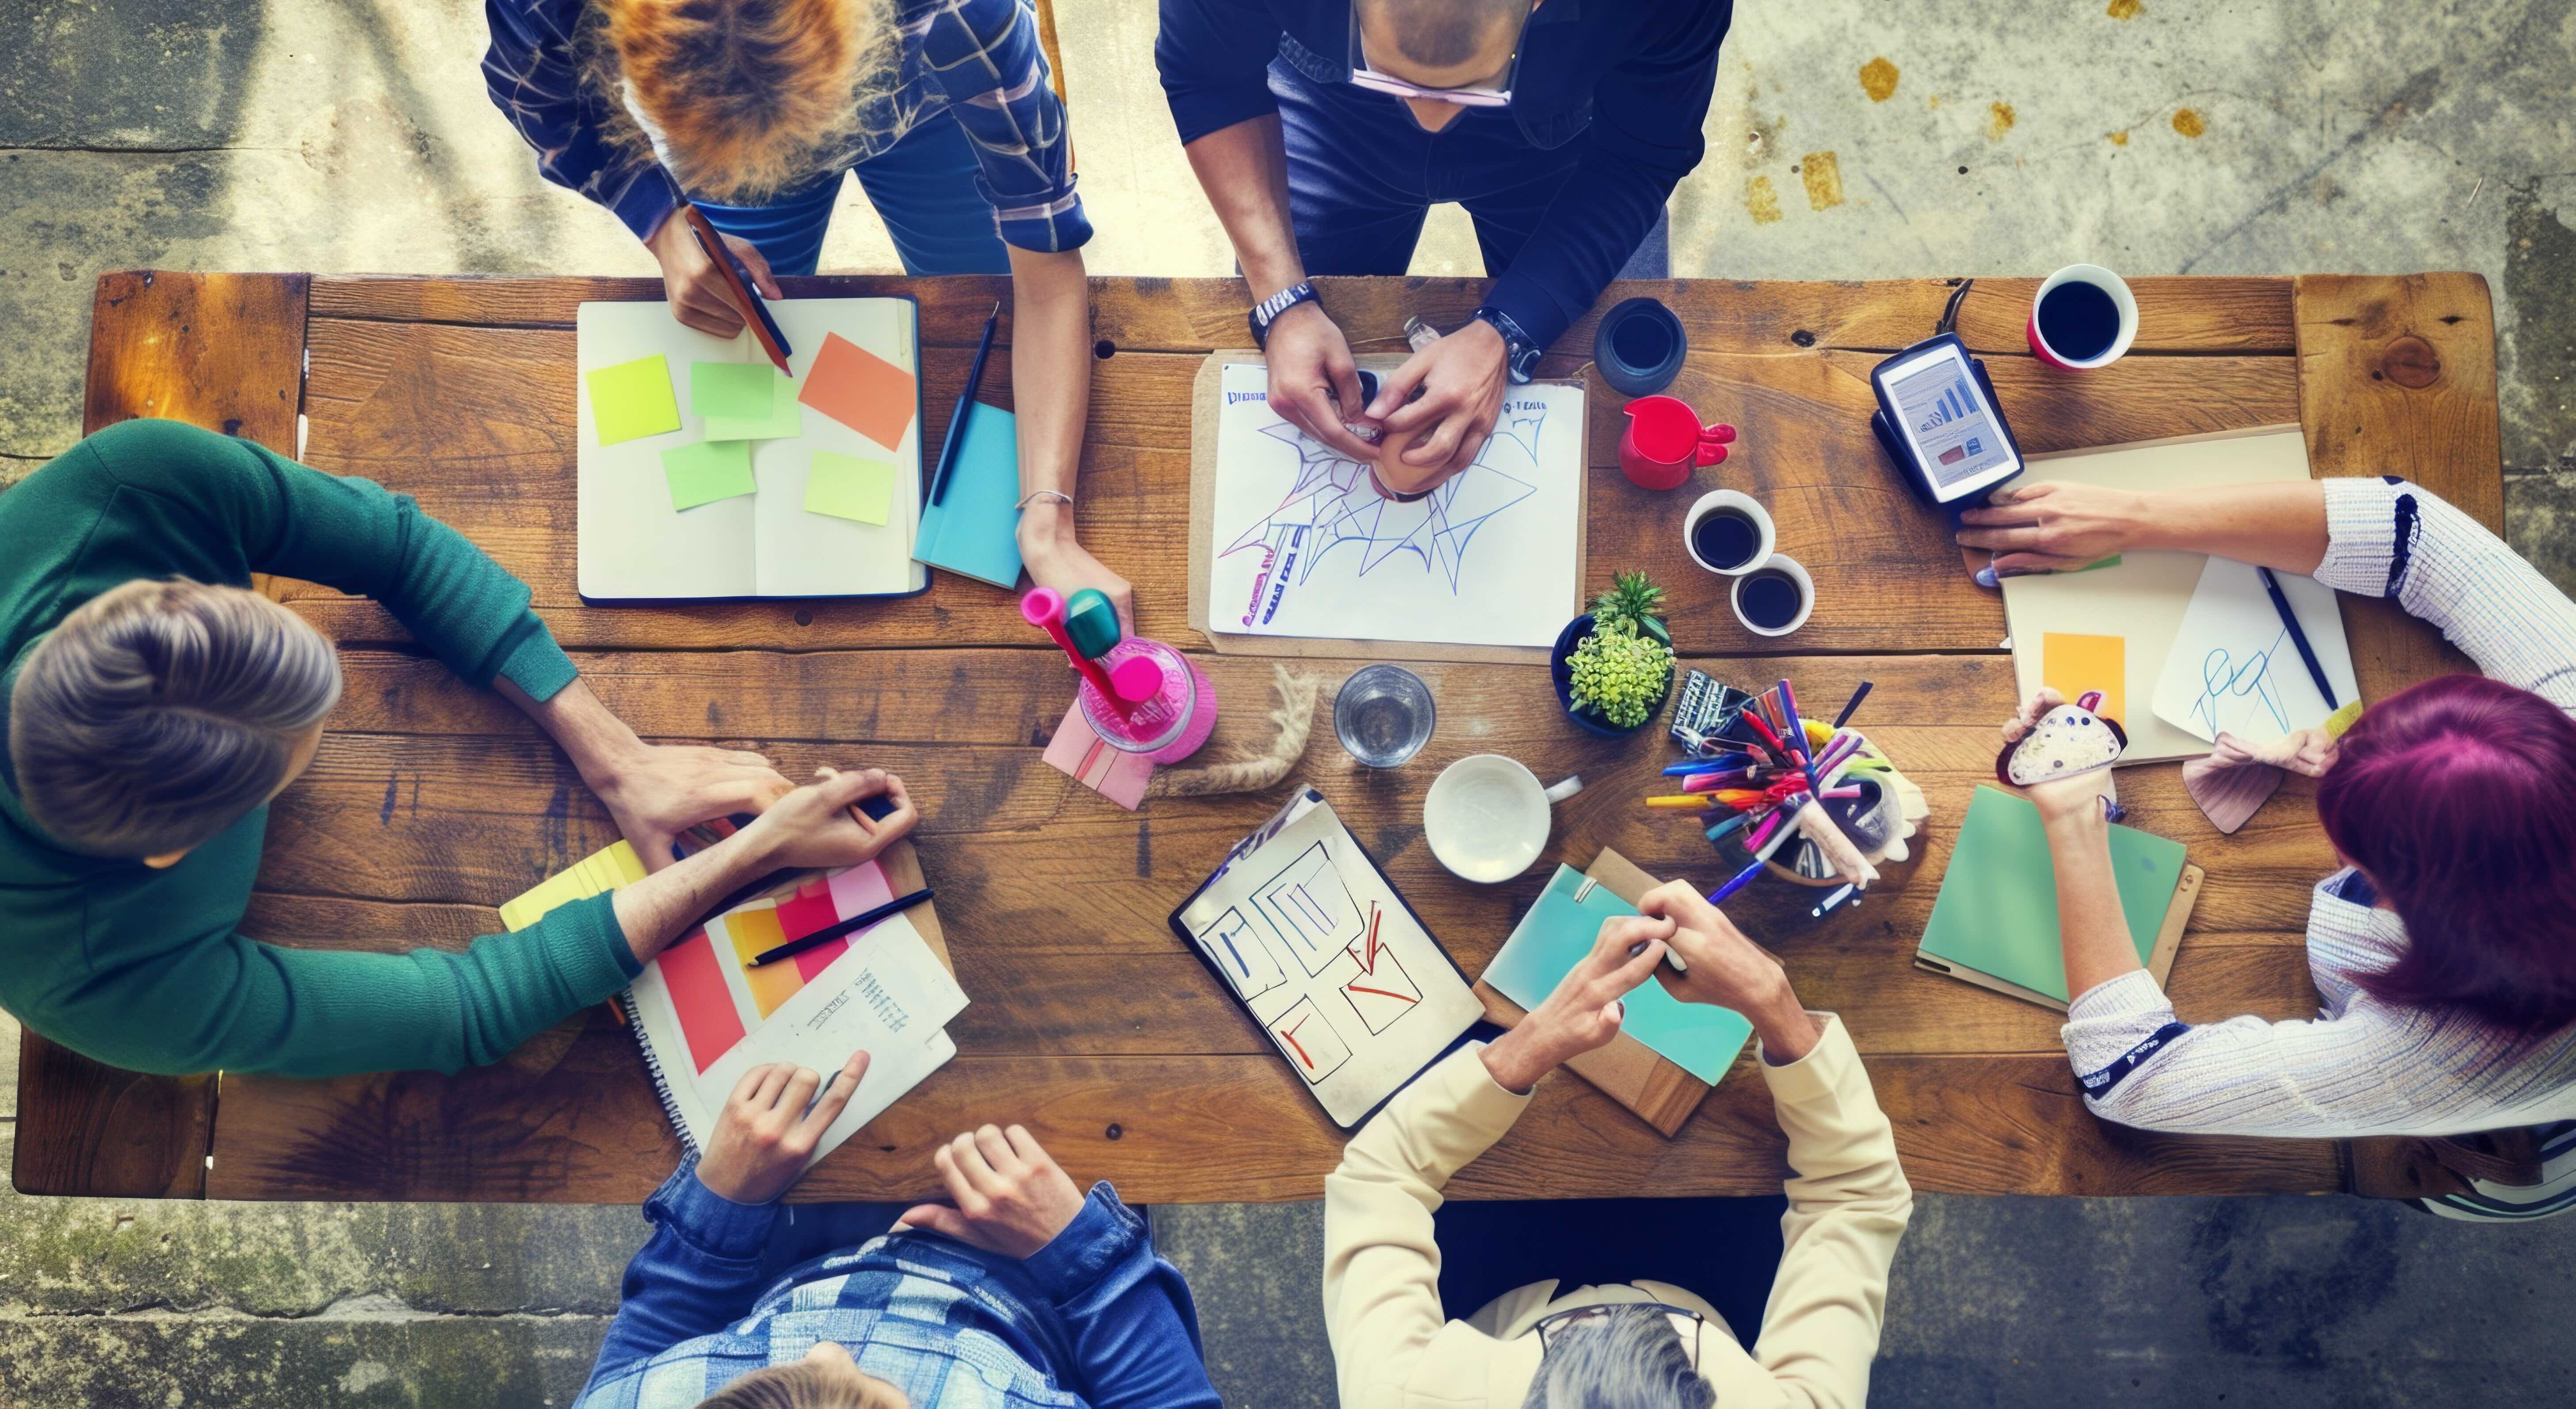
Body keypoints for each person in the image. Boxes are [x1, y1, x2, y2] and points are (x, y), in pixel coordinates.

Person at [0, 418, 919, 1077]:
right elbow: (461, 1012)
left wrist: (620, 760)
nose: (332, 672)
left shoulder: (136, 486)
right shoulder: (92, 988)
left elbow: (396, 548)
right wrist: (746, 857)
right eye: (300, 755)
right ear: (167, 855)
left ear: (139, 600)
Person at [1963, 475, 2576, 1212]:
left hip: (2512, 1144)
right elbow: (2410, 528)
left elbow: (2130, 1080)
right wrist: (2132, 513)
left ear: (2433, 913)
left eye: (2356, 851)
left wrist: (2072, 817)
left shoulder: (2445, 1053)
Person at [486, 0, 1131, 623]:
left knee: (974, 306)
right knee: (739, 337)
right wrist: (660, 218)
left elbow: (1045, 280)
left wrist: (1047, 520)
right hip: (733, 139)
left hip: (930, 108)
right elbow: (531, 92)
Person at [1322, 883, 1911, 1407]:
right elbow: (1855, 1197)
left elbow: (1380, 1181)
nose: (1611, 1311)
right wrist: (1774, 1003)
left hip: (1497, 1291)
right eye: (1681, 1346)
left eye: (1578, 1331)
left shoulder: (1398, 1396)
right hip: (1713, 1280)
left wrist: (1524, 1047)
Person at [1157, 0, 1735, 495]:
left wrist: (1508, 334)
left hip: (1565, 136)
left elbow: (1641, 153)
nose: (1430, 119)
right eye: (1395, 79)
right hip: (1331, 113)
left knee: (1611, 358)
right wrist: (1280, 299)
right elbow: (1208, 78)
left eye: (1465, 88)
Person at [572, 1048, 1222, 1408]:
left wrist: (720, 1204)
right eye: (859, 1389)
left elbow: (656, 1332)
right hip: (1039, 1285)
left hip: (782, 1258)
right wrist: (1083, 1258)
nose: (823, 1350)